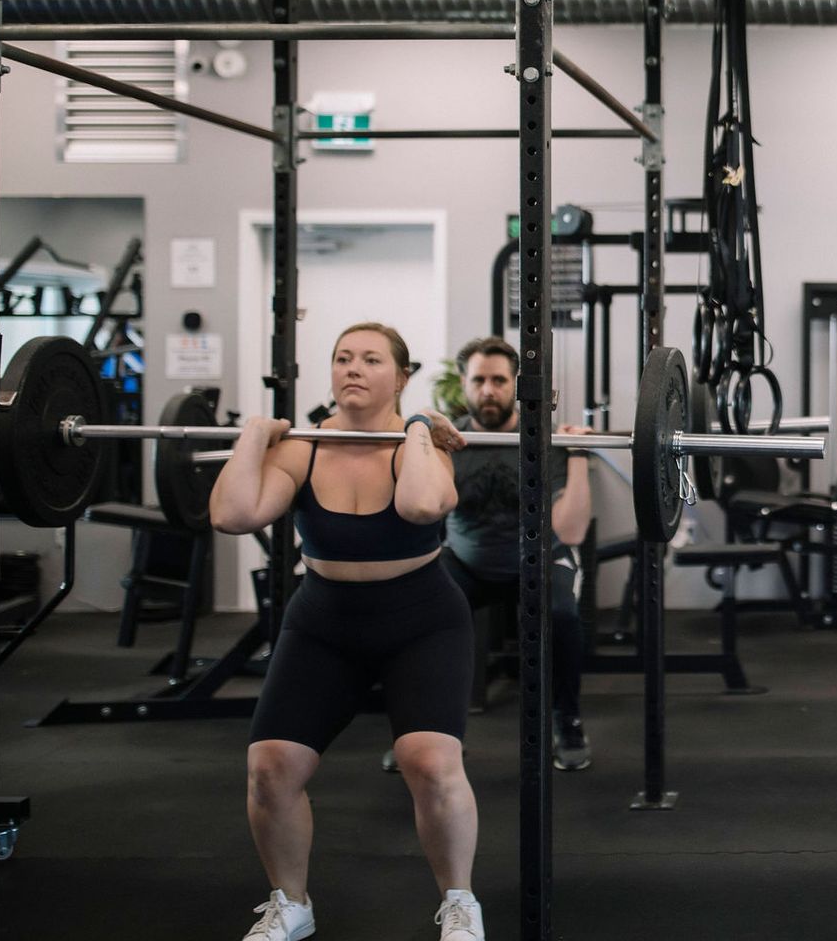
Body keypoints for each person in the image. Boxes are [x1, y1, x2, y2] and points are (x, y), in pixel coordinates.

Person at [208, 322, 485, 941]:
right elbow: (232, 514)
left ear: (402, 377)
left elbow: (419, 507)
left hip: (422, 619)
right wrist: (253, 439)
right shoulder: (303, 446)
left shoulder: (425, 443)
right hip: (325, 620)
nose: (352, 368)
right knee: (270, 768)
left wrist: (415, 427)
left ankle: (461, 902)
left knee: (430, 762)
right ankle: (292, 904)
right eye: (341, 358)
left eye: (370, 359)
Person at [380, 335, 596, 773]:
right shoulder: (447, 441)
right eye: (479, 379)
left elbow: (571, 530)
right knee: (413, 614)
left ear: (515, 384)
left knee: (563, 614)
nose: (489, 390)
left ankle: (566, 720)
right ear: (464, 383)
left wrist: (577, 454)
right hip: (467, 561)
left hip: (539, 559)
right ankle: (426, 731)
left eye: (499, 380)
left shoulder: (544, 439)